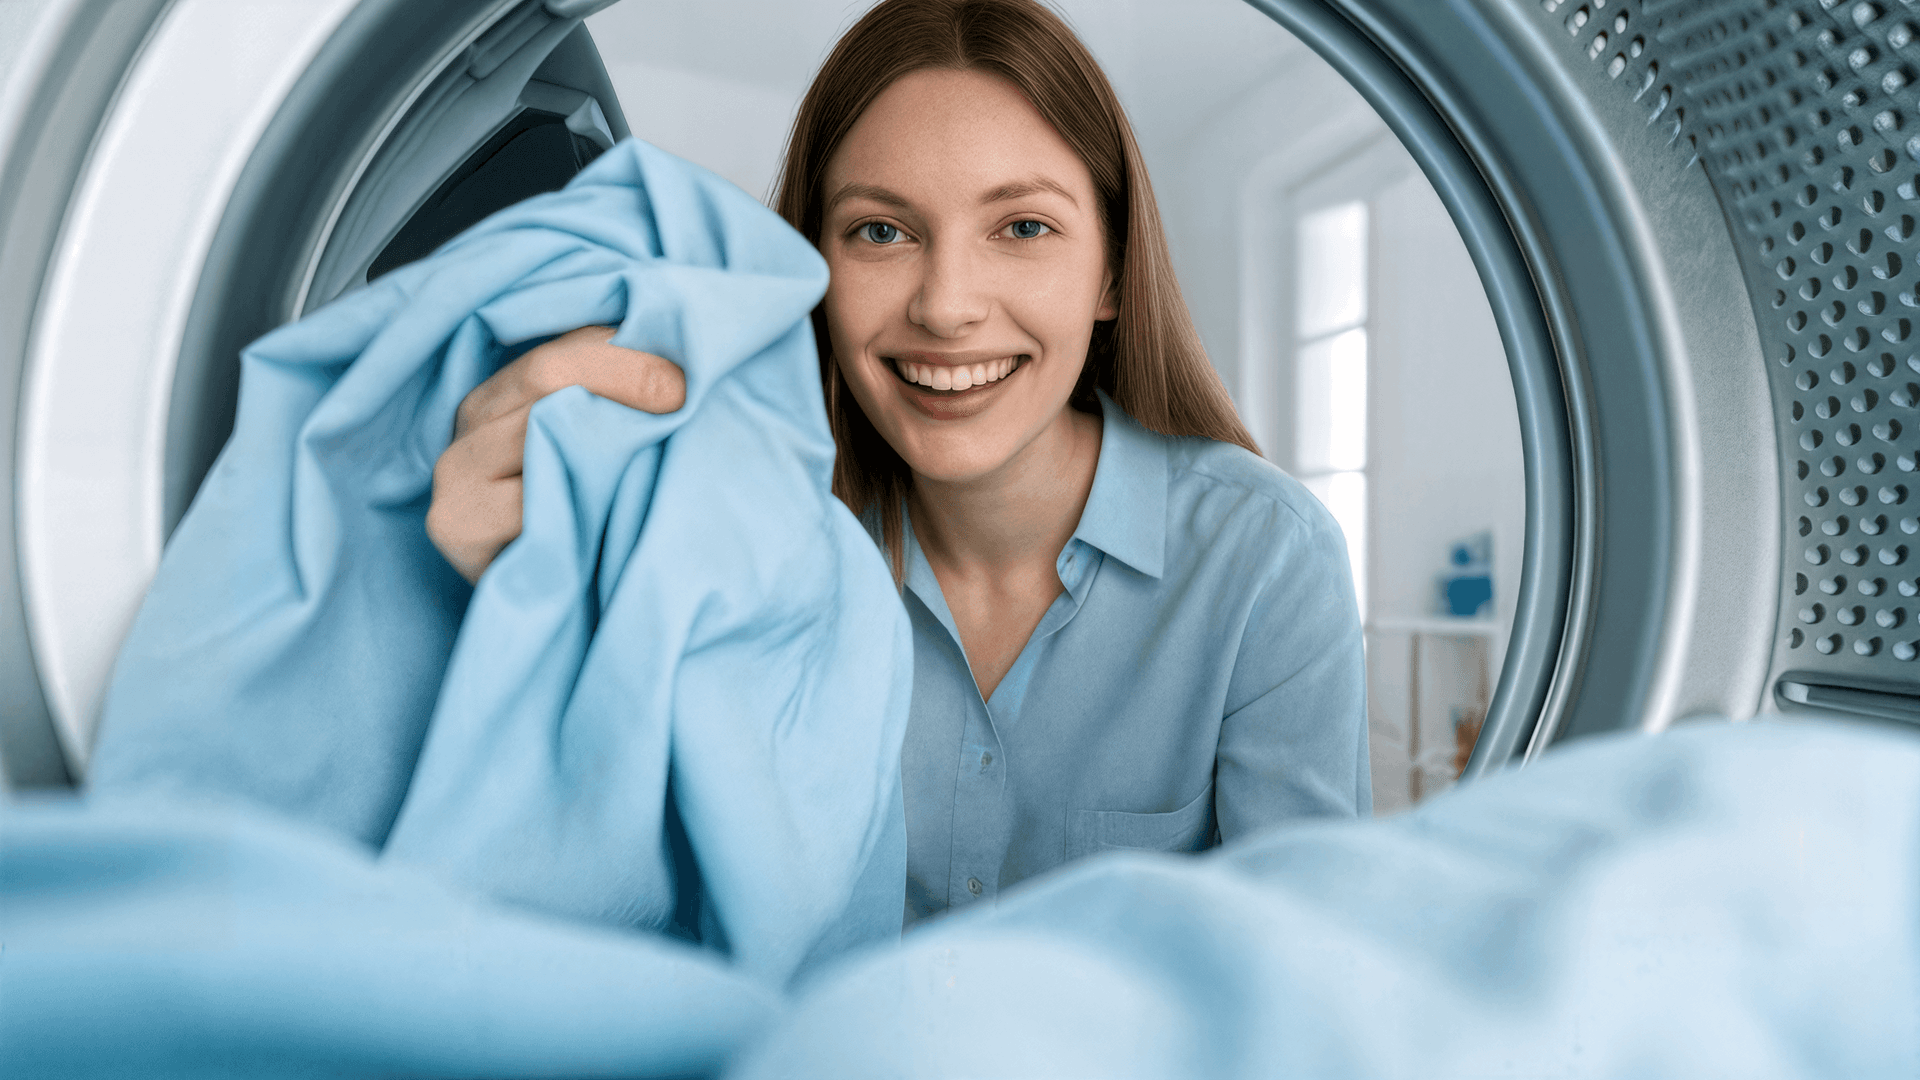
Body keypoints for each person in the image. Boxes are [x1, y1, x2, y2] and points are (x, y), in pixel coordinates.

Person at [426, 0, 1369, 926]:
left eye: (1023, 228)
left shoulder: (1265, 564)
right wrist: (520, 624)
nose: (947, 307)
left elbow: (1302, 980)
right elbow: (642, 908)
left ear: (1113, 271)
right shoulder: (739, 547)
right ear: (814, 269)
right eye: (881, 231)